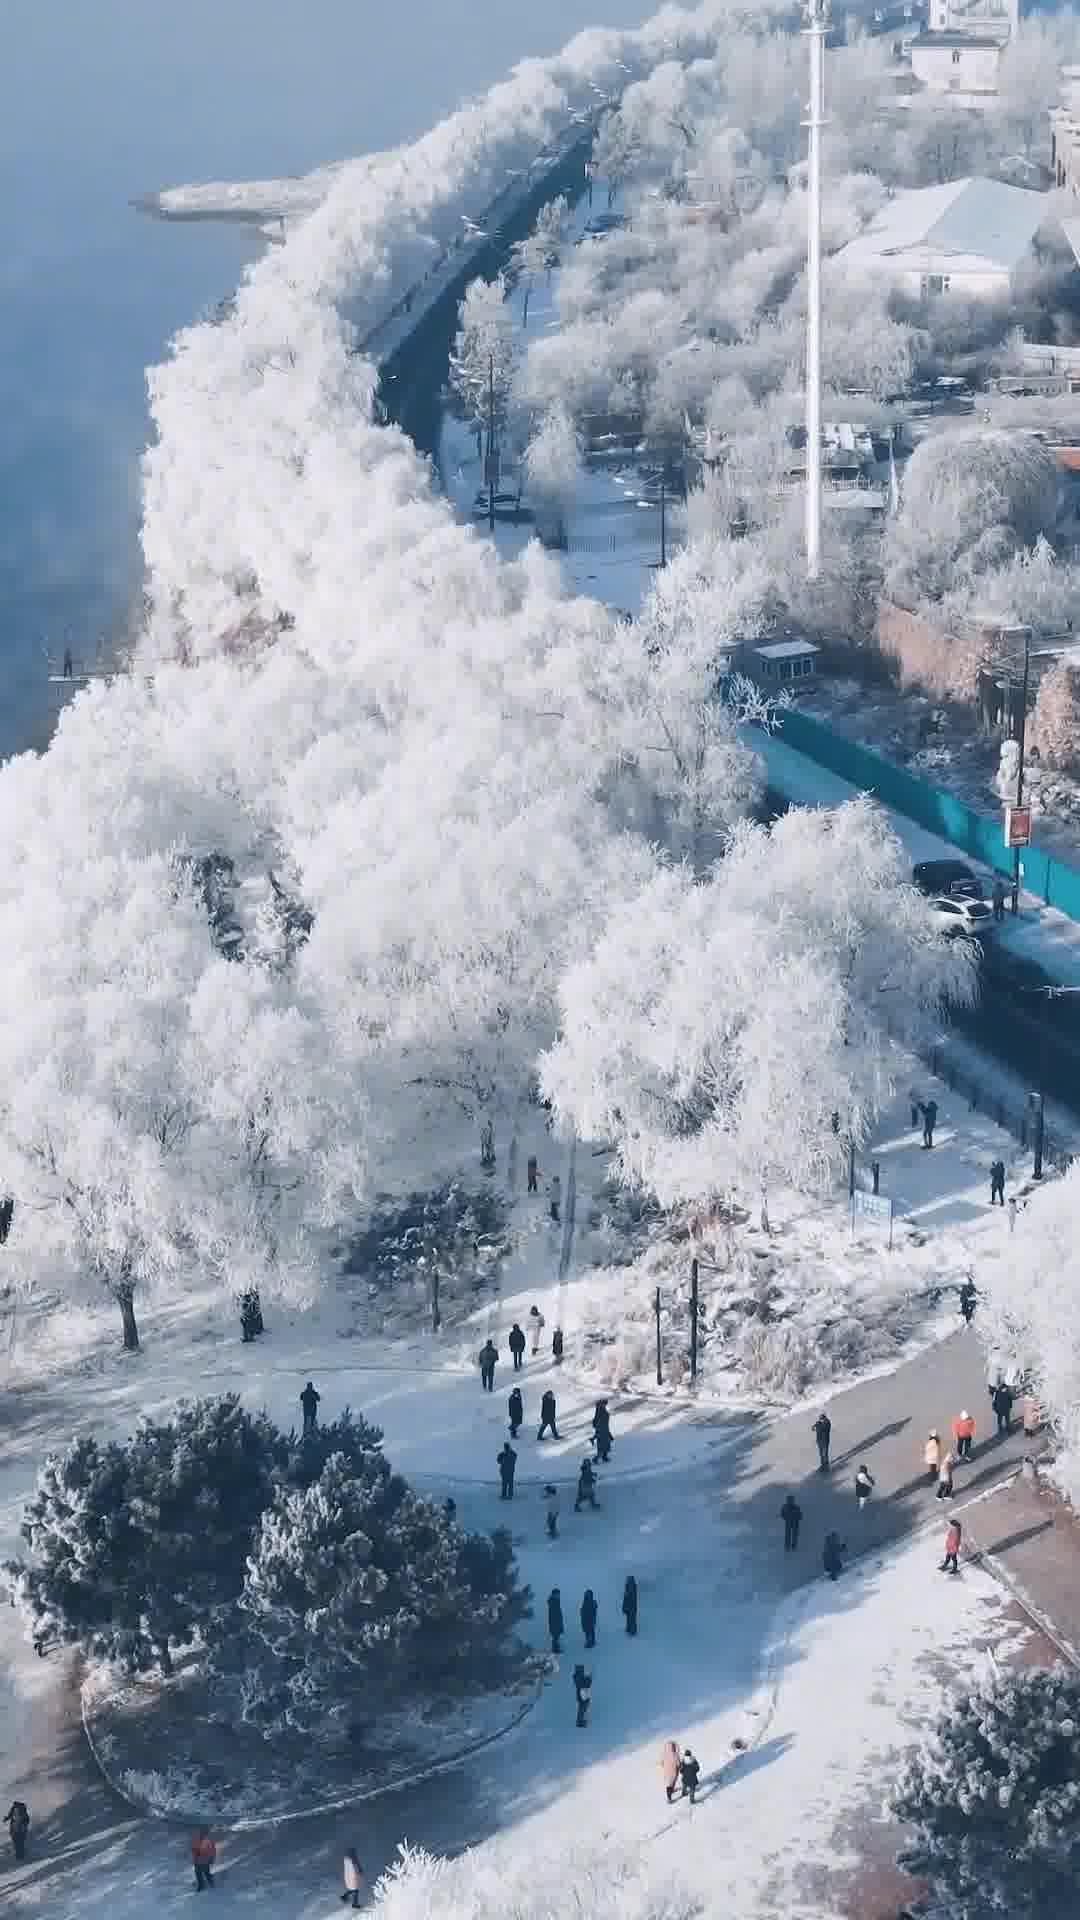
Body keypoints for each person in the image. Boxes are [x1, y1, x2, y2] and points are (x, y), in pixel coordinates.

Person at [661, 1739, 682, 1804]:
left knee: (669, 1783)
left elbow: (662, 1762)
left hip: (667, 1771)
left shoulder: (664, 1754)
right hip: (674, 1771)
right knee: (672, 1782)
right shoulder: (675, 1755)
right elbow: (678, 1764)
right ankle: (669, 1798)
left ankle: (670, 1796)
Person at [573, 1663, 592, 1727]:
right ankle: (581, 1722)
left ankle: (581, 1722)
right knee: (583, 1707)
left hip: (583, 1694)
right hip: (583, 1694)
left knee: (583, 1707)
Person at [548, 1587, 564, 1653]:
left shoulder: (555, 1601)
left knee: (556, 1636)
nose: (558, 1595)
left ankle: (556, 1648)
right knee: (555, 1636)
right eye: (557, 1594)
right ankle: (555, 1649)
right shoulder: (553, 1602)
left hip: (556, 1622)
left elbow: (558, 1613)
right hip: (554, 1622)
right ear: (554, 1594)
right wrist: (557, 1623)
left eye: (559, 1594)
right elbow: (554, 1614)